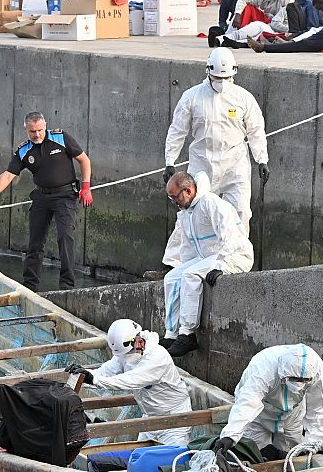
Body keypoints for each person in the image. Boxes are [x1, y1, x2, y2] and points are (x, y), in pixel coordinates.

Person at [0, 112, 93, 290]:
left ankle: (67, 287)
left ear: (45, 125)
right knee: (35, 243)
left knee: (65, 237)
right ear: (26, 130)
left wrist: (85, 187)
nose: (37, 135)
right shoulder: (24, 150)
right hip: (41, 197)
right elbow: (7, 176)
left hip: (65, 196)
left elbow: (84, 160)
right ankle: (30, 287)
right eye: (32, 131)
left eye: (40, 130)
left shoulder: (61, 137)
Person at [164, 48, 269, 235]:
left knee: (241, 211)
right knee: (193, 210)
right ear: (208, 72)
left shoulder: (243, 98)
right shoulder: (192, 97)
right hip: (202, 161)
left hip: (234, 161)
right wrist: (169, 161)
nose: (222, 83)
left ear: (234, 73)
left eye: (226, 78)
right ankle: (180, 258)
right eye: (218, 79)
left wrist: (262, 159)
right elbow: (178, 130)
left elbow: (256, 130)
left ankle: (237, 256)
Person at [161, 171, 254, 357]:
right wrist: (183, 267)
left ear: (187, 191)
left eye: (175, 197)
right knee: (172, 277)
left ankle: (187, 334)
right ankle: (172, 333)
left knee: (190, 275)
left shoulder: (210, 203)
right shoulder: (185, 213)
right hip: (208, 257)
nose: (174, 202)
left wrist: (222, 264)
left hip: (235, 254)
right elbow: (187, 249)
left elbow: (230, 235)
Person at [65, 320, 193, 446]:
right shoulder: (126, 352)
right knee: (138, 458)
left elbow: (131, 380)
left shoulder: (157, 357)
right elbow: (107, 370)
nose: (126, 357)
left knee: (173, 460)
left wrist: (94, 380)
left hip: (175, 420)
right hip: (150, 417)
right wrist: (84, 373)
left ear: (139, 341)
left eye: (128, 353)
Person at [211, 344, 323, 462]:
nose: (299, 384)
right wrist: (231, 435)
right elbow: (248, 402)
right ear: (283, 372)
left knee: (291, 456)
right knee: (256, 455)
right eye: (293, 379)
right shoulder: (264, 367)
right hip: (260, 415)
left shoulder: (317, 369)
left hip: (293, 414)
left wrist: (315, 442)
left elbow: (320, 407)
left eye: (304, 381)